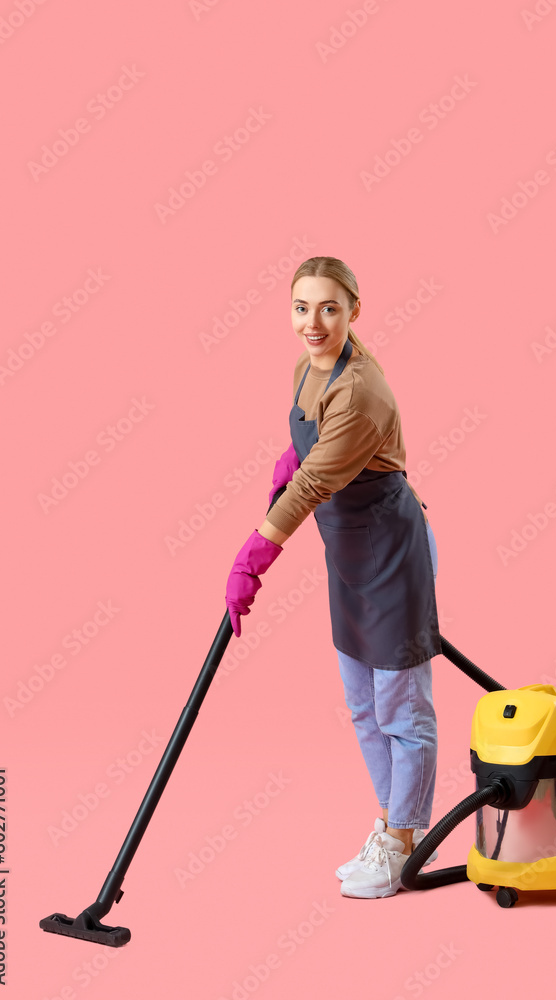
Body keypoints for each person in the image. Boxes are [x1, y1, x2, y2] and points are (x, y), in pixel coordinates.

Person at [226, 256, 442, 899]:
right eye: (301, 308)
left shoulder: (361, 389)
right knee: (361, 705)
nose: (313, 323)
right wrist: (284, 461)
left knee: (401, 708)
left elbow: (318, 479)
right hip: (348, 551)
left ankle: (404, 841)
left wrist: (254, 557)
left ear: (354, 309)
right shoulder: (310, 365)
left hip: (391, 552)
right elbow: (308, 449)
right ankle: (388, 824)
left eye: (328, 308)